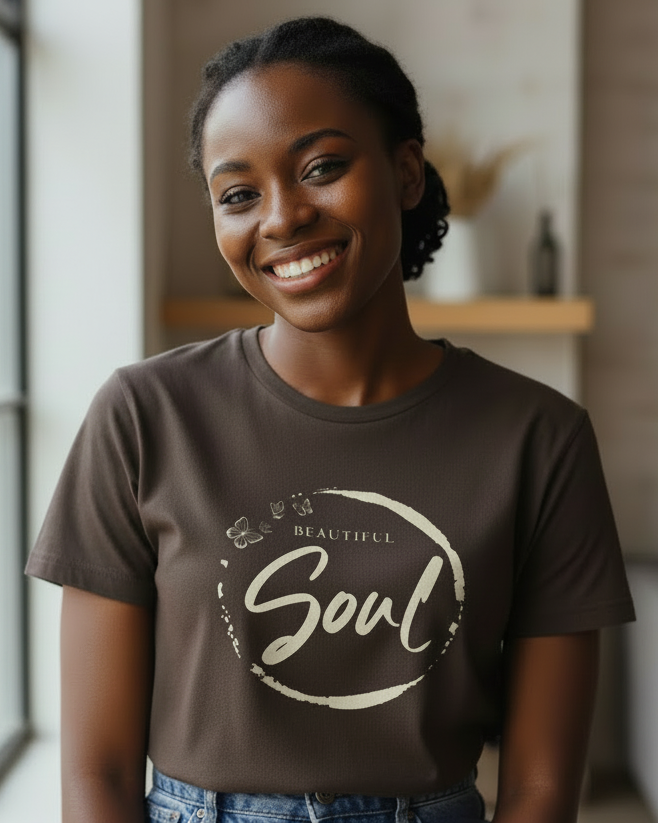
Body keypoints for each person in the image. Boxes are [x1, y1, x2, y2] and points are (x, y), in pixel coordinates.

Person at [26, 16, 635, 823]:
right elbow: (95, 776)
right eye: (238, 194)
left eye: (322, 167)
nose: (281, 218)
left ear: (407, 171)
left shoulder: (540, 438)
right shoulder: (142, 418)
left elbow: (542, 788)